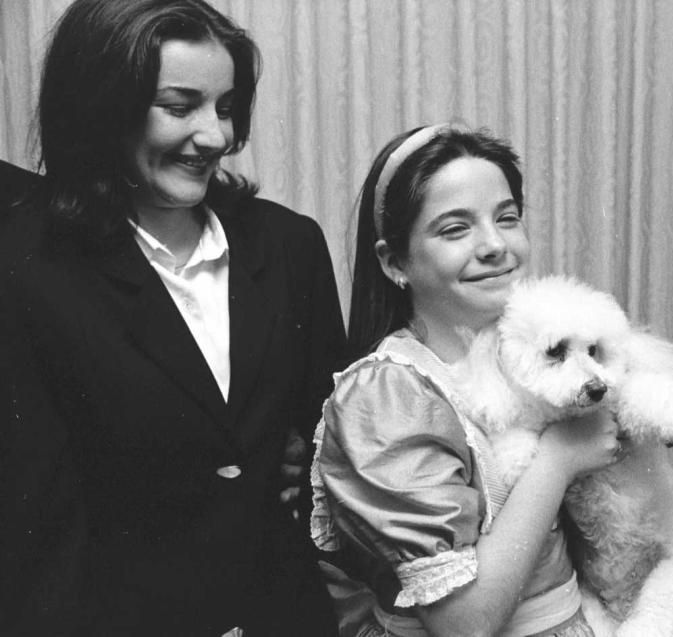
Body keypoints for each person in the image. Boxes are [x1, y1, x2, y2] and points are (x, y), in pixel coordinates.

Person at [0, 0, 346, 634]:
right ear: (104, 109)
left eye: (225, 105)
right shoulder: (29, 272)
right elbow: (38, 521)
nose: (215, 135)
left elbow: (330, 445)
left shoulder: (291, 246)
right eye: (180, 106)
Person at [310, 124, 622, 637]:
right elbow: (463, 623)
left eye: (507, 218)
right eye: (456, 229)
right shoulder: (388, 396)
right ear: (394, 262)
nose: (495, 244)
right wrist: (559, 459)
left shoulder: (533, 353)